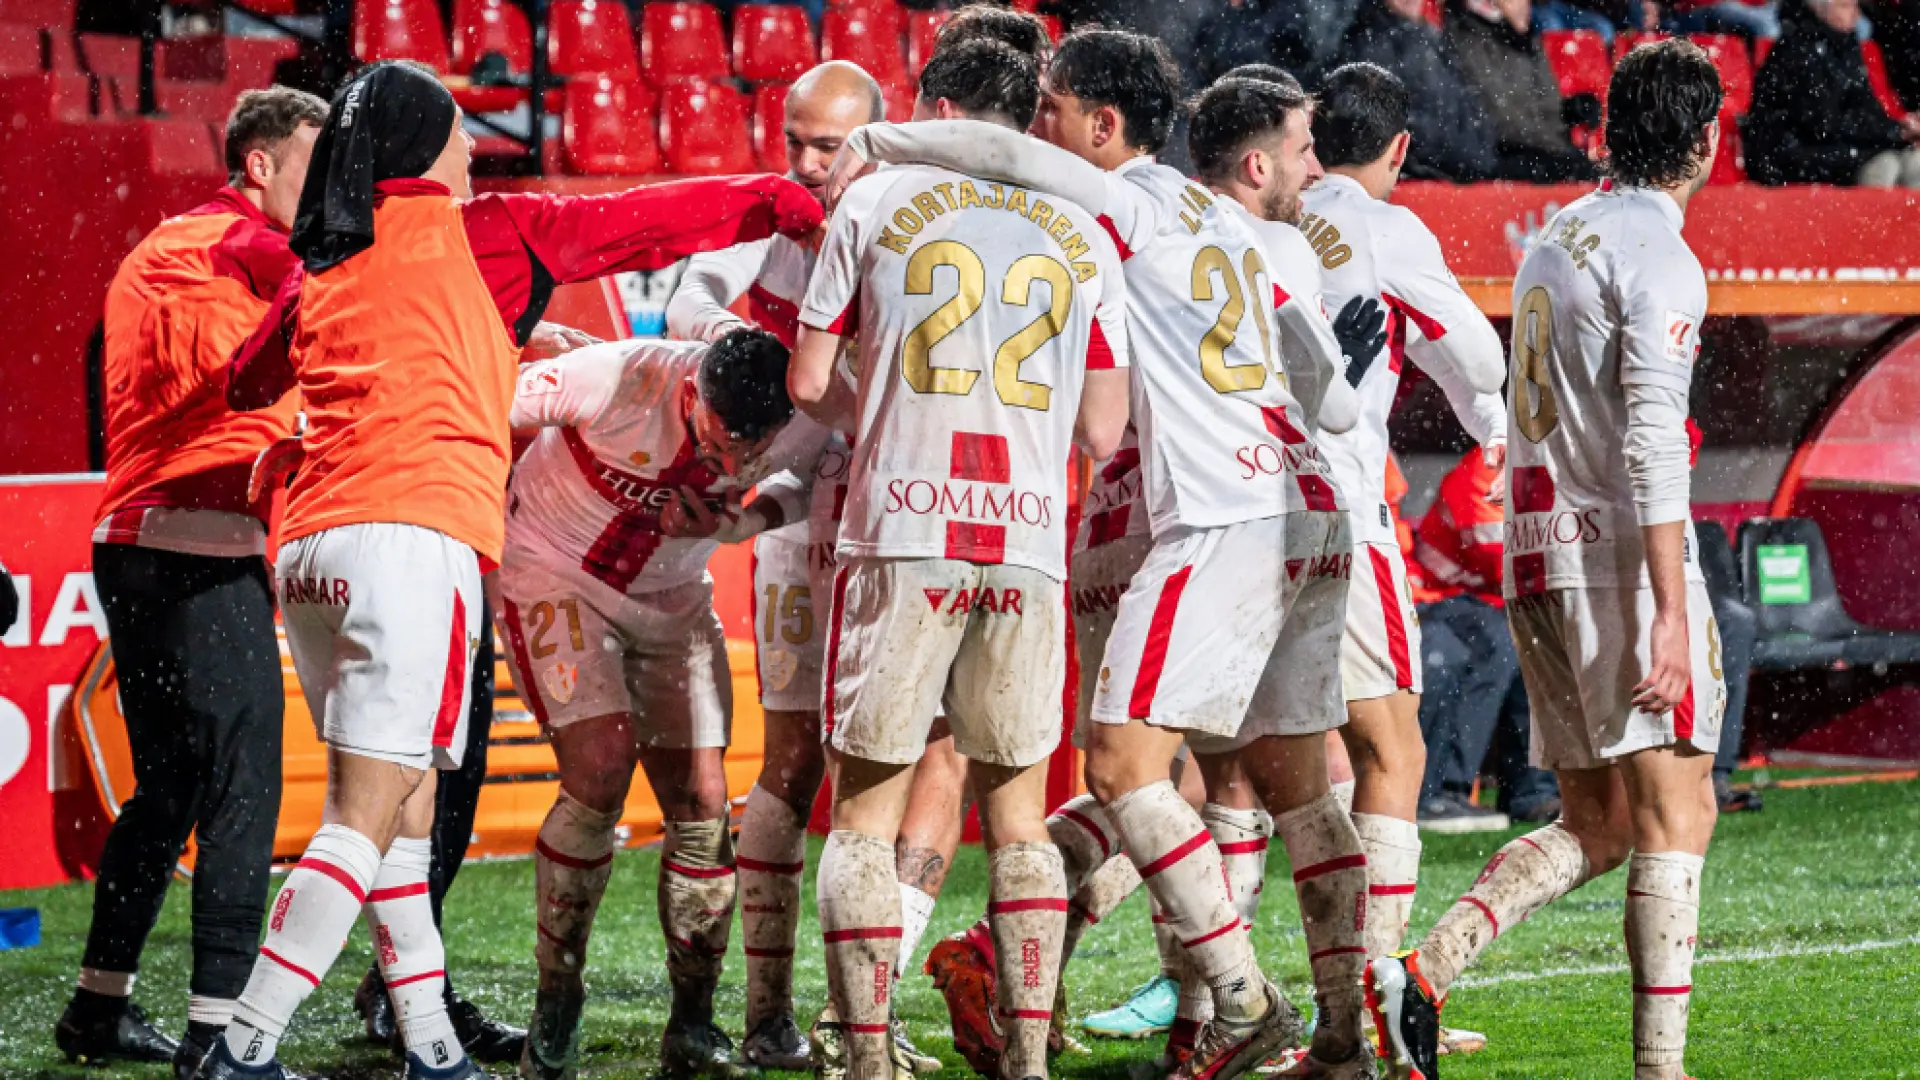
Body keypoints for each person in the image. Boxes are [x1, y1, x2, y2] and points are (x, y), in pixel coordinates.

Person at [202, 61, 821, 1080]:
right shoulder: (485, 228)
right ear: (421, 150)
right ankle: (243, 1042)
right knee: (367, 815)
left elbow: (248, 381)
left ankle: (435, 1048)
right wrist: (770, 199)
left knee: (404, 819)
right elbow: (645, 223)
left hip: (309, 544)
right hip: (414, 532)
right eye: (456, 136)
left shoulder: (321, 256)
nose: (469, 151)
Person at [829, 30, 1373, 1080]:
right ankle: (1349, 1041)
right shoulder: (1233, 222)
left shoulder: (1133, 197)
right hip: (1316, 506)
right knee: (1300, 785)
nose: (1042, 127)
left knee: (1123, 763)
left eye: (1055, 109)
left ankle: (1246, 1001)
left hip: (1223, 514)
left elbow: (1013, 164)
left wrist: (888, 141)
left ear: (1102, 126)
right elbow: (1336, 399)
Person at [1369, 40, 1728, 1080]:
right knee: (1678, 809)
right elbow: (1656, 439)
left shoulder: (1556, 234)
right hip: (1617, 560)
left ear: (1610, 130)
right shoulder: (1660, 256)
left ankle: (1419, 975)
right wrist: (1670, 610)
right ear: (1706, 140)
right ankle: (1662, 1070)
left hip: (1535, 552)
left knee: (1599, 823)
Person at [791, 35, 1133, 1080]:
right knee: (1020, 820)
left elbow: (808, 383)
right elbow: (1105, 432)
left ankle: (863, 1058)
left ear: (937, 106)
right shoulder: (1084, 231)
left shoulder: (870, 203)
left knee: (864, 814)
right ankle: (1026, 1060)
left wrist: (885, 403)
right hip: (1026, 539)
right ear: (1027, 118)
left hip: (903, 526)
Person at [54, 87, 324, 1080]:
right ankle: (220, 1039)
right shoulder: (221, 245)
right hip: (188, 549)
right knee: (241, 783)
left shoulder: (187, 246)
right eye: (314, 164)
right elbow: (292, 321)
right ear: (260, 166)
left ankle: (98, 1009)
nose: (332, 187)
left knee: (169, 786)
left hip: (150, 542)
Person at [500, 329, 809, 1080]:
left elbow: (821, 478)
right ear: (692, 392)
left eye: (752, 449)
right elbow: (478, 404)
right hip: (555, 572)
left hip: (673, 598)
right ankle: (557, 1005)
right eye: (721, 442)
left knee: (705, 802)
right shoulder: (614, 377)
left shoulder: (807, 404)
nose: (735, 465)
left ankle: (693, 1026)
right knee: (600, 772)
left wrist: (741, 522)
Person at [665, 59, 883, 1074]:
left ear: (874, 138)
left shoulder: (901, 223)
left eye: (826, 144)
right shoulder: (763, 222)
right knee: (797, 761)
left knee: (895, 766)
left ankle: (856, 1015)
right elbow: (682, 313)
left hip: (891, 521)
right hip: (802, 527)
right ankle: (770, 1014)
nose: (805, 162)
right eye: (795, 139)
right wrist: (742, 344)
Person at [1296, 58, 1508, 991]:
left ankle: (1202, 1002)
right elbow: (1477, 359)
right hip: (1337, 507)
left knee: (1213, 768)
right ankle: (1374, 996)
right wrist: (1493, 424)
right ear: (1400, 148)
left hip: (1221, 506)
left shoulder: (1252, 216)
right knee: (1394, 749)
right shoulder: (1386, 224)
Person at [1411, 448, 1562, 832]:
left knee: (1536, 643)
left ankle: (1531, 791)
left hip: (1492, 599)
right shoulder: (1490, 465)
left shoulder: (1553, 458)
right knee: (1503, 642)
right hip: (1438, 594)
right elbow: (1505, 558)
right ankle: (1446, 789)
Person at [1746, 0, 1920, 188]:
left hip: (1832, 147)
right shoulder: (1796, 51)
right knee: (1885, 165)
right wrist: (1893, 134)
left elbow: (1865, 106)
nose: (1856, 14)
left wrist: (1898, 128)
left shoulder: (1845, 45)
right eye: (1845, 6)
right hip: (1792, 156)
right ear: (1819, 10)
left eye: (1855, 6)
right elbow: (1822, 125)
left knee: (1914, 160)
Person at [1338, 0, 1499, 182]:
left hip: (1451, 174)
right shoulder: (1369, 42)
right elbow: (1388, 123)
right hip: (1415, 178)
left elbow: (1474, 113)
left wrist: (1473, 154)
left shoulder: (1435, 40)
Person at [1444, 0, 1600, 183]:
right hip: (1505, 155)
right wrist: (1553, 142)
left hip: (1543, 151)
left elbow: (1545, 103)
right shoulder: (1469, 37)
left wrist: (1571, 110)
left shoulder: (1528, 40)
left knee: (1594, 175)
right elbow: (1500, 117)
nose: (1526, 6)